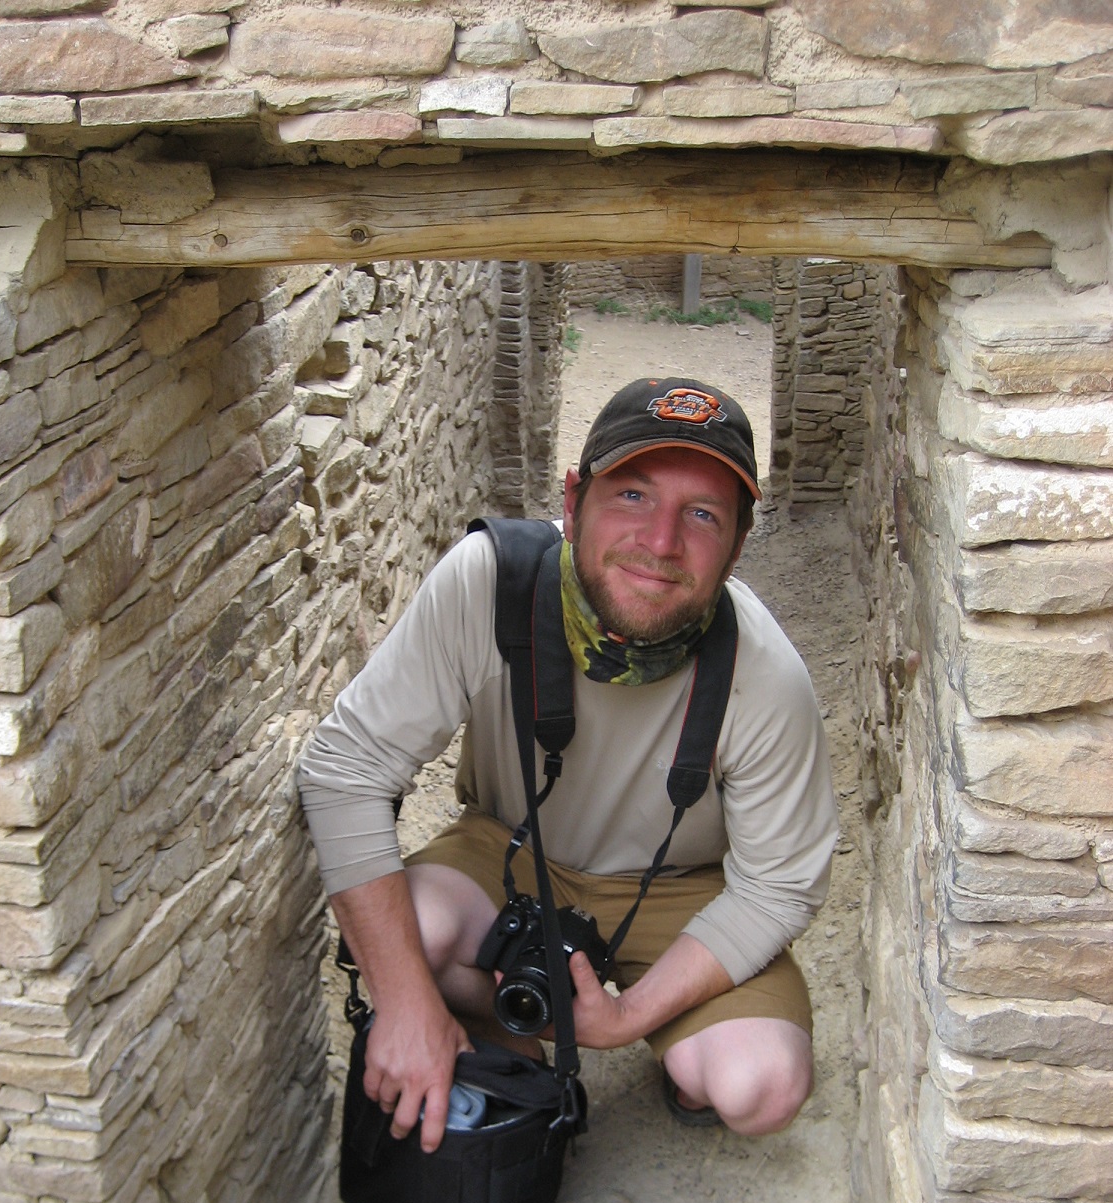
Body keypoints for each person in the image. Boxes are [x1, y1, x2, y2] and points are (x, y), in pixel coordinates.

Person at [298, 377, 838, 1155]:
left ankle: (666, 1049)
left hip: (680, 893)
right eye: (633, 496)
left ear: (739, 543)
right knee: (405, 936)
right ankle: (498, 1029)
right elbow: (346, 768)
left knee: (760, 1087)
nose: (660, 542)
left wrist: (629, 1017)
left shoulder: (768, 675)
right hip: (509, 854)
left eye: (703, 515)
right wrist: (405, 1004)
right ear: (575, 497)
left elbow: (778, 885)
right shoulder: (489, 585)